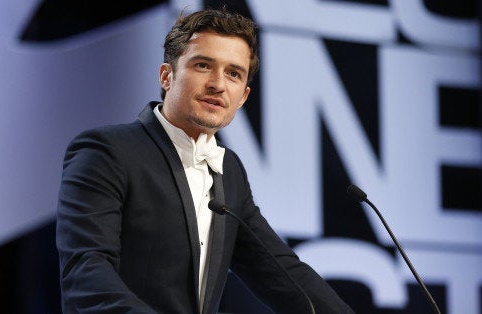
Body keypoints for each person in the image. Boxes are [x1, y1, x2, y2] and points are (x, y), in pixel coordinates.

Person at [56, 8, 353, 314]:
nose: (218, 84)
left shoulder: (229, 170)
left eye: (233, 73)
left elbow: (282, 272)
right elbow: (87, 274)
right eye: (203, 65)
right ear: (167, 76)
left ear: (243, 96)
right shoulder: (107, 151)